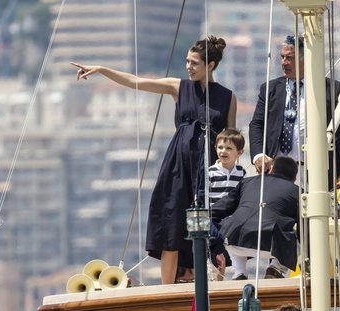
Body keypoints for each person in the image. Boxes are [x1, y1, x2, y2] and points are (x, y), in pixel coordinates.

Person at [72, 36, 237, 285]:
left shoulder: (228, 97)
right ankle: (167, 289)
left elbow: (232, 137)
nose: (188, 67)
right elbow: (137, 82)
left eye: (194, 63)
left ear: (210, 65)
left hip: (209, 168)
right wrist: (102, 70)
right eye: (187, 61)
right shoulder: (178, 87)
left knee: (212, 224)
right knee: (172, 222)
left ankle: (216, 282)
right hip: (178, 165)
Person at [248, 35, 340, 191]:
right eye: (282, 57)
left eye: (289, 58)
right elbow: (256, 124)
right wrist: (258, 155)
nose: (284, 62)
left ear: (307, 59)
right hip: (277, 170)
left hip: (316, 172)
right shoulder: (270, 89)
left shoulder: (330, 89)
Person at [213, 156, 300, 280]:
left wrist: (214, 243)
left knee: (232, 222)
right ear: (294, 178)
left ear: (271, 170)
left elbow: (218, 210)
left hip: (233, 241)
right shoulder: (296, 191)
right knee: (299, 235)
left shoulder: (246, 182)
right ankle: (276, 268)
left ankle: (240, 272)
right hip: (270, 246)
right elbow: (304, 228)